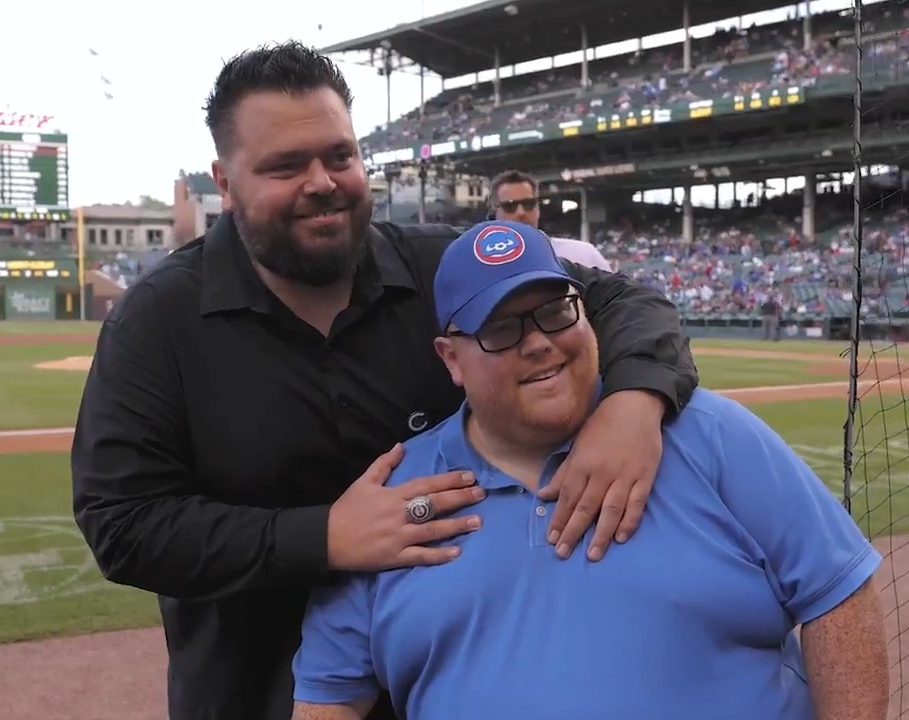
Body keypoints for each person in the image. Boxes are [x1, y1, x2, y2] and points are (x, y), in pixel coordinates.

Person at [70, 42, 699, 720]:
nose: (322, 181)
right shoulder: (158, 321)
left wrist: (633, 405)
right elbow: (122, 523)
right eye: (286, 165)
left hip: (461, 693)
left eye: (339, 156)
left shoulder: (441, 272)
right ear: (223, 182)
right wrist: (324, 536)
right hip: (258, 699)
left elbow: (626, 304)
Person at [290, 220, 890, 720]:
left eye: (555, 311)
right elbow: (328, 696)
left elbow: (837, 594)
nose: (539, 342)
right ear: (451, 359)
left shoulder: (709, 433)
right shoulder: (398, 501)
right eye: (501, 328)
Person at [489, 168, 612, 270]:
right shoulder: (482, 266)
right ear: (495, 212)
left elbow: (620, 296)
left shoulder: (584, 254)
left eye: (528, 204)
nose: (521, 212)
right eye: (510, 206)